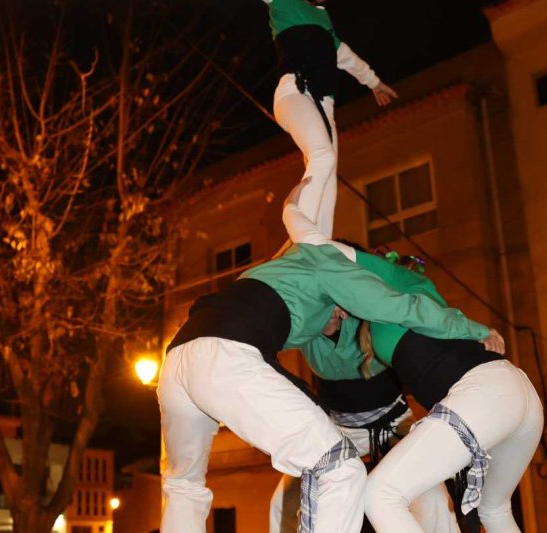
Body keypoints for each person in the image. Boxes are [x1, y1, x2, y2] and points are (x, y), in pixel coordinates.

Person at [158, 185, 490, 532]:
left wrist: (469, 330)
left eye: (344, 306)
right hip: (322, 412)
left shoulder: (330, 301)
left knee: (183, 486)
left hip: (389, 419)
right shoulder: (315, 291)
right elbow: (310, 236)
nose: (339, 315)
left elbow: (403, 306)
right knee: (312, 484)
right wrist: (303, 191)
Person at [281, 179, 544, 533]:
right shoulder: (379, 320)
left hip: (486, 393)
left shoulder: (394, 286)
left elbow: (316, 246)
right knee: (494, 509)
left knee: (380, 495)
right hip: (518, 394)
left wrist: (290, 209)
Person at [268, 307, 460, 533]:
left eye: (328, 313)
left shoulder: (365, 317)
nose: (324, 322)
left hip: (394, 422)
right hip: (339, 431)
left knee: (433, 498)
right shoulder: (305, 331)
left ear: (340, 310)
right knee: (282, 503)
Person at [262, 0, 397, 240]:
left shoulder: (323, 19)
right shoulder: (285, 2)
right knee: (323, 156)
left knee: (328, 173)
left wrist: (374, 83)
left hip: (325, 106)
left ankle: (321, 243)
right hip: (295, 94)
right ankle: (303, 237)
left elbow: (345, 55)